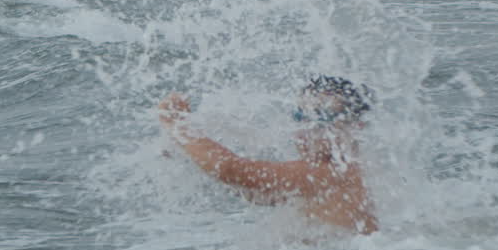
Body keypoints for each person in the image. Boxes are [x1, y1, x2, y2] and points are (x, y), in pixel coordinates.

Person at [158, 76, 379, 236]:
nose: (309, 127)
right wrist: (189, 152)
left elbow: (230, 170)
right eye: (301, 116)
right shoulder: (336, 175)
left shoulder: (332, 172)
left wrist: (178, 126)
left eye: (322, 116)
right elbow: (253, 191)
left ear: (356, 126)